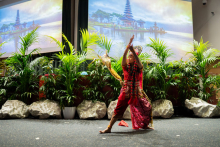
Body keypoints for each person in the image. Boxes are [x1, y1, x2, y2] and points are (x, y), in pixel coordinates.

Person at [100, 35, 154, 134]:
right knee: (118, 110)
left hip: (136, 93)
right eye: (129, 56)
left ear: (134, 58)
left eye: (131, 56)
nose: (129, 58)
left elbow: (139, 63)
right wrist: (127, 48)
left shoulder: (138, 68)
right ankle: (109, 128)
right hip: (125, 92)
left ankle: (145, 125)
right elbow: (124, 58)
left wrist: (133, 51)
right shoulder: (125, 67)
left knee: (146, 108)